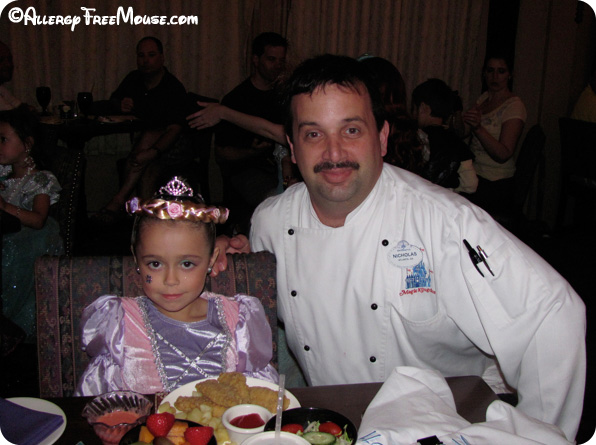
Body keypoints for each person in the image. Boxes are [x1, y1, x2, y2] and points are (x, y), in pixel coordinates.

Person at [213, 54, 586, 441]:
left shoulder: (443, 220)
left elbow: (552, 313)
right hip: (333, 423)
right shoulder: (271, 222)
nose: (334, 152)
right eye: (313, 134)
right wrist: (230, 256)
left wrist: (537, 432)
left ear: (382, 137)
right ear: (292, 147)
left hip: (448, 423)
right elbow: (254, 286)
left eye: (351, 130)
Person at [76, 176, 278, 396]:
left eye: (187, 264)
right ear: (136, 260)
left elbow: (259, 396)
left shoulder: (238, 321)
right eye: (155, 264)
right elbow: (100, 399)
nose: (170, 280)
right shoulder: (119, 323)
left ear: (211, 260)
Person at [93, 36, 187, 224]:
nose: (146, 60)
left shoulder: (172, 87)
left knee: (147, 149)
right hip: (142, 147)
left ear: (161, 57)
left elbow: (175, 129)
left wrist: (153, 152)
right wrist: (120, 104)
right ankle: (142, 220)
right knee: (143, 163)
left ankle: (119, 202)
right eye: (141, 55)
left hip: (172, 148)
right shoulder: (134, 79)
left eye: (151, 55)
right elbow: (111, 101)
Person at [215, 32, 288, 235]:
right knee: (275, 200)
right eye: (271, 59)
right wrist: (252, 152)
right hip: (246, 170)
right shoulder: (236, 100)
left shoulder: (284, 96)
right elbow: (222, 155)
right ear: (256, 60)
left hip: (282, 167)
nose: (278, 66)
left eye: (281, 60)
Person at [0, 108, 63, 340]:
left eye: (3, 139)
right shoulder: (3, 174)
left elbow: (38, 219)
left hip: (27, 240)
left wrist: (5, 207)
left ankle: (12, 326)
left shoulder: (39, 179)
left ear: (27, 144)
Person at [462, 54, 526, 214]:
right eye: (490, 70)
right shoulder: (484, 98)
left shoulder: (515, 106)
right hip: (476, 174)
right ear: (484, 73)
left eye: (501, 71)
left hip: (496, 181)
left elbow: (503, 154)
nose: (495, 76)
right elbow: (465, 133)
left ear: (509, 75)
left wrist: (478, 128)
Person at [411, 78, 477, 193]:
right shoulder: (457, 143)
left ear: (423, 108)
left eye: (414, 109)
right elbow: (471, 185)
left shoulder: (415, 138)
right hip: (445, 203)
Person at [0, 41, 23, 111]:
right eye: (1, 60)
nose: (8, 64)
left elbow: (21, 106)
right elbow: (13, 117)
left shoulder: (1, 89)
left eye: (9, 59)